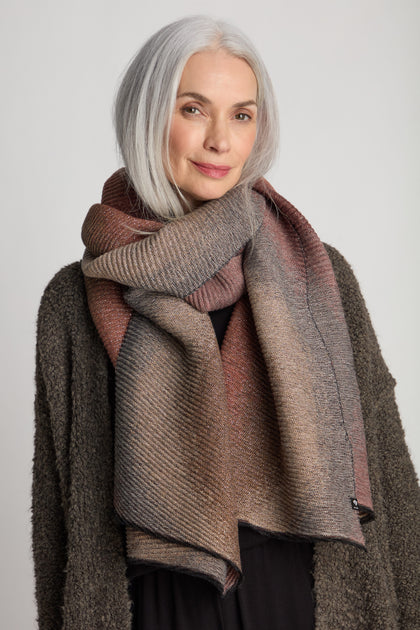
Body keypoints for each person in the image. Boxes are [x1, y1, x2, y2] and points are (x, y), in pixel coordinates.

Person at [32, 15, 419, 630]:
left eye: (242, 114)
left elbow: (391, 476)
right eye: (193, 109)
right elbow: (60, 509)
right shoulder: (72, 302)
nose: (221, 140)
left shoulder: (318, 272)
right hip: (155, 606)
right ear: (148, 116)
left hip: (303, 598)